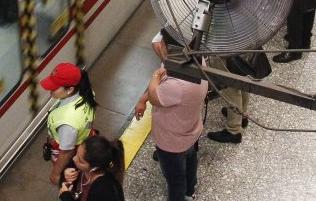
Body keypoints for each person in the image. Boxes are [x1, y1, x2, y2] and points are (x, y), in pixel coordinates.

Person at [133, 65, 208, 201]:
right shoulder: (198, 63)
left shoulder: (176, 85)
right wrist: (143, 99)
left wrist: (155, 75)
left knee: (175, 180)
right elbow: (162, 87)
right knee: (191, 160)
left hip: (171, 142)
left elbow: (155, 95)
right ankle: (190, 192)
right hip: (190, 131)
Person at [42, 63, 98, 186]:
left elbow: (66, 152)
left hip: (70, 151)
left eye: (54, 88)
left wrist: (56, 173)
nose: (50, 90)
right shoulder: (86, 93)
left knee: (69, 183)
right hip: (85, 138)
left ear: (70, 89)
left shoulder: (67, 123)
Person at [58, 135, 125, 201]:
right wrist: (66, 172)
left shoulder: (104, 190)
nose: (74, 159)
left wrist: (66, 197)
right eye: (76, 153)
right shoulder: (82, 160)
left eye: (80, 161)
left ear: (94, 168)